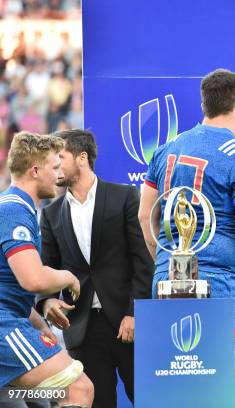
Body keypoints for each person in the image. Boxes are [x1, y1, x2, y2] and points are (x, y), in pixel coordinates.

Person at [138, 69, 235, 371]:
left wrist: (166, 262)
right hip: (215, 280)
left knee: (172, 375)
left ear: (204, 105)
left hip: (166, 278)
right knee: (214, 376)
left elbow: (144, 216)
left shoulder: (166, 148)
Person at [34, 129, 154, 408]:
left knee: (150, 400)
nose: (54, 166)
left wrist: (134, 312)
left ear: (82, 158)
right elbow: (47, 269)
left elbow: (143, 261)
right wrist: (47, 300)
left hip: (127, 323)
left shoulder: (124, 196)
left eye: (59, 157)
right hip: (82, 330)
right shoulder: (51, 214)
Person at [0, 132, 93, 407]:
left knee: (34, 400)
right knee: (79, 390)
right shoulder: (14, 211)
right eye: (54, 167)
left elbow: (9, 288)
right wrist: (68, 277)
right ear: (35, 170)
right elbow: (33, 279)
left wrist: (41, 326)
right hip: (4, 327)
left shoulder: (16, 208)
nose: (59, 174)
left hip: (11, 321)